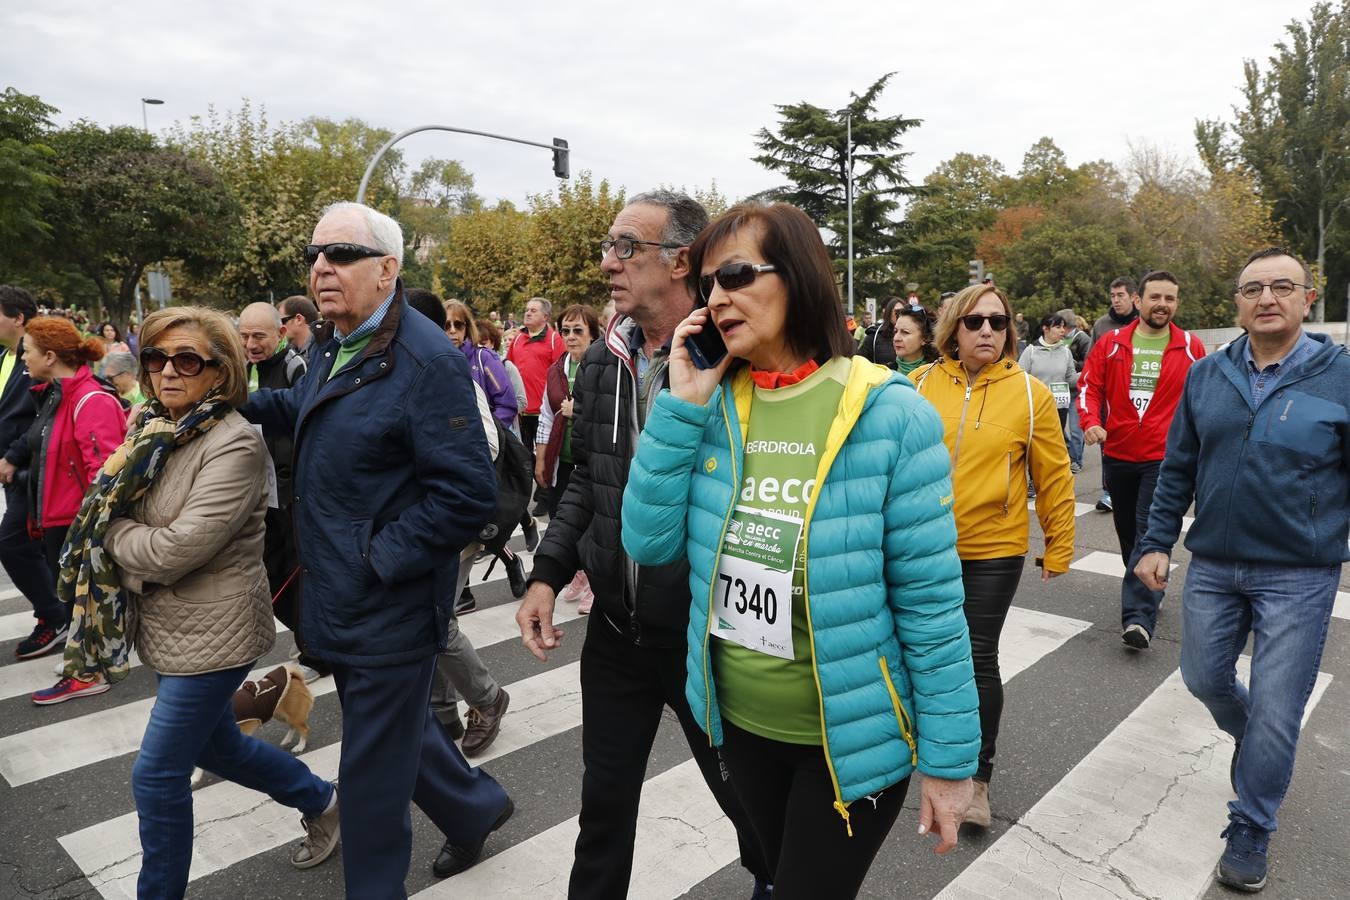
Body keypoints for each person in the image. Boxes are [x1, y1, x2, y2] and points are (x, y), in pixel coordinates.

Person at [621, 202, 979, 898]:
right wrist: (682, 403)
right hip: (738, 724)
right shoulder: (712, 402)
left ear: (799, 277)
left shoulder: (891, 413)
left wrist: (950, 762)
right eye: (708, 286)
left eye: (734, 275)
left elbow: (931, 604)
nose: (717, 297)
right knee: (772, 875)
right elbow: (647, 539)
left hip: (849, 741)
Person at [244, 201, 513, 894]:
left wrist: (377, 560)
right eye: (316, 253)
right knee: (392, 733)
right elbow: (303, 407)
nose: (321, 266)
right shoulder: (336, 342)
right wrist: (226, 400)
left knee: (367, 775)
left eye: (341, 255)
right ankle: (477, 807)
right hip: (335, 589)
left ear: (388, 269)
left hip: (387, 604)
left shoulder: (427, 361)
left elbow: (465, 495)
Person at [514, 189, 773, 899]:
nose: (607, 263)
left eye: (625, 246)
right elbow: (585, 483)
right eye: (607, 246)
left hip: (707, 635)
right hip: (618, 631)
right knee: (602, 809)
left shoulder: (734, 358)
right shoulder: (602, 361)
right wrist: (545, 574)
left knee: (751, 810)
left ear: (682, 259)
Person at [71, 306, 342, 894]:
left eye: (188, 360)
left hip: (216, 631)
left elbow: (175, 548)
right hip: (171, 625)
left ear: (220, 372)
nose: (169, 371)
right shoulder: (151, 425)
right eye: (157, 358)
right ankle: (322, 800)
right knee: (220, 748)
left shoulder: (234, 442)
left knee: (156, 774)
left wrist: (107, 535)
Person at [1134, 248, 1349, 893]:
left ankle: (1253, 821)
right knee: (1202, 676)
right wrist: (1155, 542)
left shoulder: (1339, 376)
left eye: (1283, 286)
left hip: (1300, 573)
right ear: (1237, 302)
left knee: (1281, 712)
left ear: (1308, 299)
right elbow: (1177, 469)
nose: (1267, 298)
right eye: (1253, 287)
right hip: (1215, 563)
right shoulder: (1209, 376)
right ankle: (1255, 745)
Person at [911, 282, 1075, 829]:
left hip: (993, 548)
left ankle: (976, 779)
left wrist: (1060, 543)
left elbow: (1052, 474)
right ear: (953, 329)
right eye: (976, 321)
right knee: (918, 653)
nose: (988, 330)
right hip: (922, 544)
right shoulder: (917, 385)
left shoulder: (1029, 394)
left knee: (978, 657)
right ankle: (918, 754)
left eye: (999, 322)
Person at [403, 288, 514, 759]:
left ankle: (488, 700)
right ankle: (442, 712)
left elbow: (487, 445)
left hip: (455, 523)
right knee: (428, 618)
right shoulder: (407, 370)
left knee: (437, 622)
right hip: (424, 526)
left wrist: (431, 475)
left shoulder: (451, 374)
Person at [1078, 270, 1205, 650]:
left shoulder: (1190, 346)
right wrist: (1090, 422)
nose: (1162, 304)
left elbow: (1204, 400)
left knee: (1149, 529)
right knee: (1128, 535)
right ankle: (1148, 579)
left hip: (1164, 458)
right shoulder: (1112, 343)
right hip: (1117, 454)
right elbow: (1089, 386)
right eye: (1155, 297)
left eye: (1170, 298)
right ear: (1139, 301)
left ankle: (1138, 618)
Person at [19, 317, 127, 702]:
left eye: (27, 350)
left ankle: (89, 671)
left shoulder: (89, 399)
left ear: (50, 356)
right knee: (76, 603)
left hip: (76, 524)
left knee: (85, 603)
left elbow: (106, 475)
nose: (23, 358)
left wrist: (92, 532)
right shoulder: (55, 394)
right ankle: (85, 663)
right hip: (57, 519)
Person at [237, 301, 321, 682]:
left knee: (298, 572)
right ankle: (309, 635)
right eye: (244, 336)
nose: (251, 344)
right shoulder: (242, 371)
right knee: (271, 572)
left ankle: (317, 648)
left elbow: (304, 419)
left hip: (291, 491)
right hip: (256, 493)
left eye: (259, 336)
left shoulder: (295, 368)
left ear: (280, 334)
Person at [0, 287, 68, 660]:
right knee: (33, 546)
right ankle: (60, 613)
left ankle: (54, 617)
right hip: (12, 475)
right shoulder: (5, 357)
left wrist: (11, 456)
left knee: (11, 542)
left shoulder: (39, 360)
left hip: (33, 471)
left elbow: (44, 416)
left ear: (17, 318)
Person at [534, 303, 600, 612]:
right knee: (564, 515)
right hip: (566, 457)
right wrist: (541, 461)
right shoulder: (556, 370)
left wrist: (580, 411)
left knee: (594, 524)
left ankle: (594, 580)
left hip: (596, 460)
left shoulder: (604, 366)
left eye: (578, 331)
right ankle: (577, 573)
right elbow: (546, 418)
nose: (571, 337)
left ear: (592, 334)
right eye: (565, 331)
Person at [506, 296, 565, 515]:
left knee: (546, 453)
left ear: (545, 316)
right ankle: (532, 492)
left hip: (544, 409)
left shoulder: (553, 340)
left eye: (533, 310)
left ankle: (544, 496)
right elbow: (508, 369)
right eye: (527, 310)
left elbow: (560, 373)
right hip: (522, 410)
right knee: (524, 454)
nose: (528, 313)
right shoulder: (518, 339)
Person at [1018, 312, 1076, 433]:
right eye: (1058, 327)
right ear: (1045, 328)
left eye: (1063, 327)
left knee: (1057, 445)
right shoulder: (1031, 351)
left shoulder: (1066, 352)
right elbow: (1020, 380)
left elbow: (1071, 379)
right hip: (1037, 408)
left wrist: (1087, 375)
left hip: (1059, 409)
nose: (1063, 331)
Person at [889, 302, 938, 377]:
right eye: (895, 331)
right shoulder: (886, 374)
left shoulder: (938, 374)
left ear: (925, 338)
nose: (896, 338)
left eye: (905, 332)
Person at [858, 296, 903, 366]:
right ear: (888, 313)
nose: (900, 315)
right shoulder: (874, 336)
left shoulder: (914, 336)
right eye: (897, 312)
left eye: (903, 312)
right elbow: (860, 363)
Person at [278, 295, 321, 362]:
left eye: (282, 321)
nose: (280, 328)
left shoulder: (321, 353)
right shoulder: (290, 354)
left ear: (299, 319)